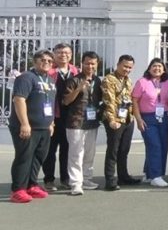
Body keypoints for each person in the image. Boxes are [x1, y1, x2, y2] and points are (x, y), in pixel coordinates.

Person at [8, 50, 57, 203]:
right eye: (43, 60)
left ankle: (31, 185)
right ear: (35, 61)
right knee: (24, 157)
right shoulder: (26, 78)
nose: (47, 63)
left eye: (50, 60)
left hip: (44, 127)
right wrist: (24, 124)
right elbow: (19, 100)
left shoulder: (49, 79)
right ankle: (18, 189)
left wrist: (51, 122)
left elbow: (50, 103)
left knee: (38, 158)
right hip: (28, 127)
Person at [63, 51, 103, 195]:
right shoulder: (74, 80)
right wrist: (79, 89)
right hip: (76, 122)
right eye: (87, 63)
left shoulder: (98, 81)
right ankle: (75, 183)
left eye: (93, 63)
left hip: (92, 122)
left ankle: (86, 179)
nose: (90, 66)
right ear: (82, 64)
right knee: (76, 154)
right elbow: (66, 101)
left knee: (89, 154)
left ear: (97, 64)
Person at [132, 58, 168, 187]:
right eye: (154, 66)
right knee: (154, 145)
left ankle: (149, 173)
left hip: (164, 117)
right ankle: (156, 176)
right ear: (149, 68)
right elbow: (135, 101)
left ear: (164, 69)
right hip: (148, 117)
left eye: (160, 66)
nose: (157, 69)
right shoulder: (142, 82)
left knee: (163, 146)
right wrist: (138, 119)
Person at [43, 43, 77, 191]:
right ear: (54, 54)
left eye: (66, 52)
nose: (63, 55)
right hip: (52, 116)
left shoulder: (77, 72)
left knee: (67, 149)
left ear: (71, 55)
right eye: (60, 52)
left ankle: (65, 178)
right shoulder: (48, 73)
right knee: (50, 150)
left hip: (71, 117)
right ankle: (49, 179)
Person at [101, 55, 137, 191]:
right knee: (113, 150)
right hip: (115, 119)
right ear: (118, 64)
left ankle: (123, 176)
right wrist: (111, 120)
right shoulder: (109, 80)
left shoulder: (127, 80)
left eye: (129, 67)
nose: (127, 69)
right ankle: (110, 179)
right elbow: (108, 101)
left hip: (127, 118)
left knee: (124, 150)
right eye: (125, 66)